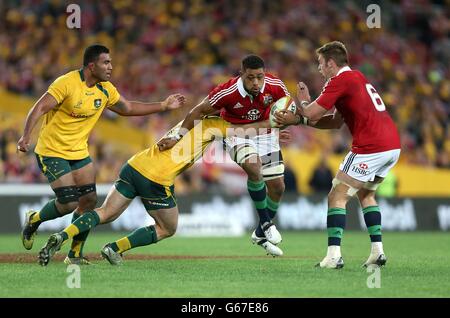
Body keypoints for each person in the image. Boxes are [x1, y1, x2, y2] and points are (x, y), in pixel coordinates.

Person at [17, 44, 185, 265]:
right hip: (52, 151)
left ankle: (74, 255)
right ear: (91, 65)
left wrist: (163, 105)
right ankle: (34, 219)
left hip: (79, 152)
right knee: (68, 203)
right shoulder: (66, 83)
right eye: (106, 62)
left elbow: (127, 108)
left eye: (111, 62)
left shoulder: (105, 88)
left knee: (88, 201)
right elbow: (39, 108)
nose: (111, 67)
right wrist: (26, 136)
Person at [38, 116, 282, 266]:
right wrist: (274, 124)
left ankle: (63, 234)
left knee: (105, 212)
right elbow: (248, 129)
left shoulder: (187, 121)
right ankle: (115, 248)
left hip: (135, 164)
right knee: (168, 227)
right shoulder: (215, 123)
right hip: (156, 177)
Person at [274, 41, 401, 269]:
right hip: (392, 146)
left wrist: (303, 99)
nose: (319, 69)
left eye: (321, 64)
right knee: (366, 195)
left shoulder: (339, 80)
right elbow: (334, 122)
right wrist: (300, 120)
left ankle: (333, 257)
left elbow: (311, 113)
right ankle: (377, 252)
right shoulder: (357, 78)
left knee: (336, 196)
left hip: (371, 147)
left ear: (331, 63)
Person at [158, 55, 290, 252]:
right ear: (241, 74)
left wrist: (284, 121)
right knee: (254, 168)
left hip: (265, 135)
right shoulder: (226, 92)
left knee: (278, 187)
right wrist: (178, 137)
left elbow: (287, 104)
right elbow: (197, 112)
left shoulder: (275, 85)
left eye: (259, 77)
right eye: (250, 77)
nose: (256, 82)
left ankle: (260, 233)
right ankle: (266, 223)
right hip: (236, 134)